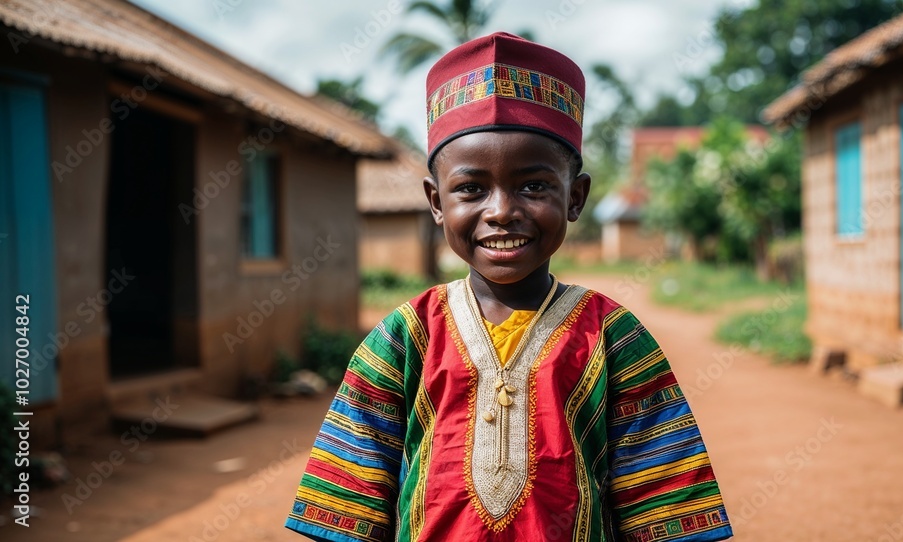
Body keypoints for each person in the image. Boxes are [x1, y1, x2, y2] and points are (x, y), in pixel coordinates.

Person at [285, 32, 732, 542]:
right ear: (436, 202)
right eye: (471, 189)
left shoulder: (613, 337)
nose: (501, 211)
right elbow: (347, 508)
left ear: (576, 197)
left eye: (533, 186)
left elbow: (666, 510)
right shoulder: (406, 337)